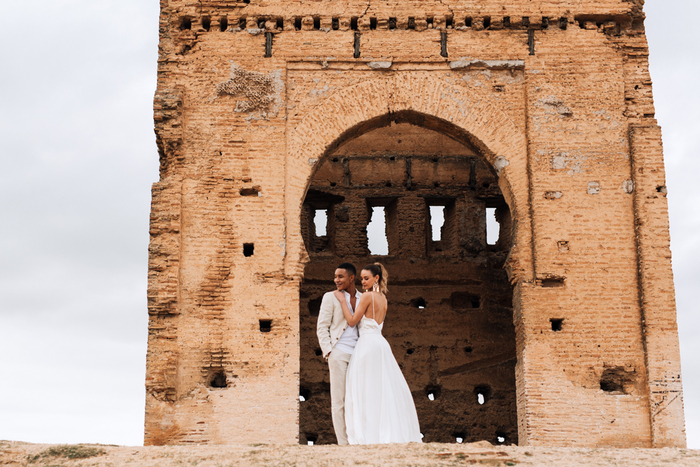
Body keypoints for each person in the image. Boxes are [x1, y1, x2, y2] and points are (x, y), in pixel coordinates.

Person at [333, 263, 422, 444]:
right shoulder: (383, 299)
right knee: (381, 388)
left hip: (367, 345)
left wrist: (342, 300)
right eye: (361, 279)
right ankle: (381, 431)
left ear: (376, 278)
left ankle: (368, 433)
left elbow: (351, 321)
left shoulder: (367, 297)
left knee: (364, 388)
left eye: (366, 278)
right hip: (381, 344)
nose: (363, 282)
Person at [316, 262, 363, 445]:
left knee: (358, 397)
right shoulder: (330, 297)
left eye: (340, 277)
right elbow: (322, 327)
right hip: (339, 351)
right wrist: (329, 351)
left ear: (351, 278)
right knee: (339, 400)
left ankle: (358, 438)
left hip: (359, 353)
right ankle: (344, 443)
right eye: (335, 277)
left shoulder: (362, 298)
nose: (336, 280)